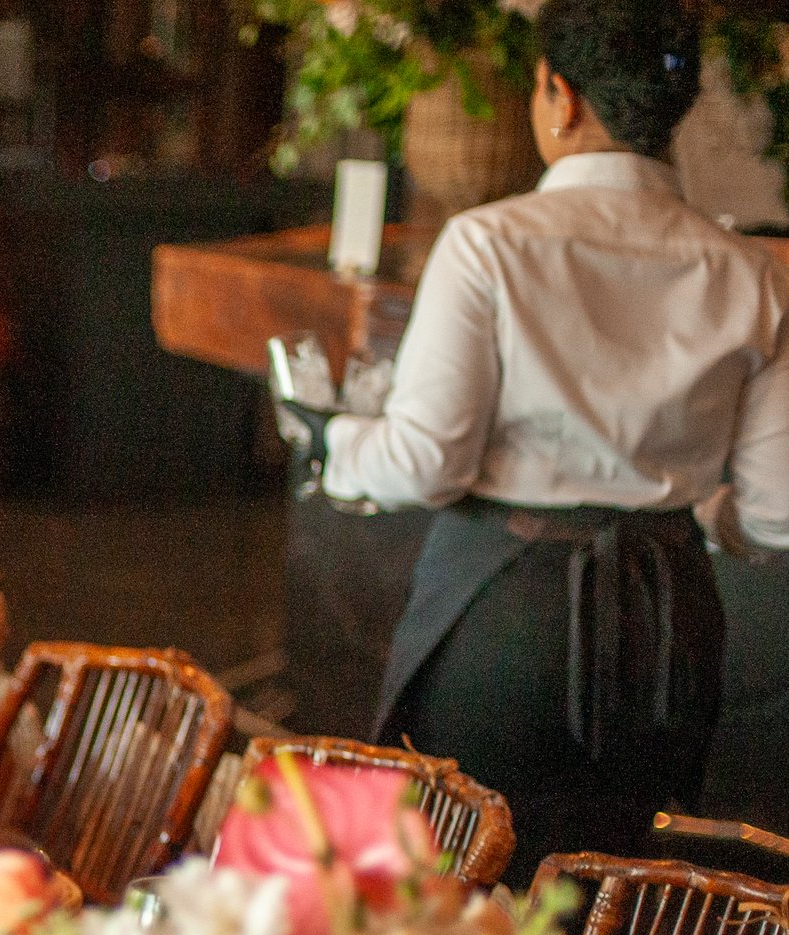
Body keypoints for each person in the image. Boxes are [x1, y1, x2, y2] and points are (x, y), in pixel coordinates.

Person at [283, 0, 789, 885]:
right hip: (670, 618)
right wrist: (678, 514)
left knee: (457, 881)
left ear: (559, 97)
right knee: (610, 889)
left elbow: (425, 460)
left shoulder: (489, 245)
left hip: (508, 611)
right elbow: (779, 509)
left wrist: (334, 444)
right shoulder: (751, 272)